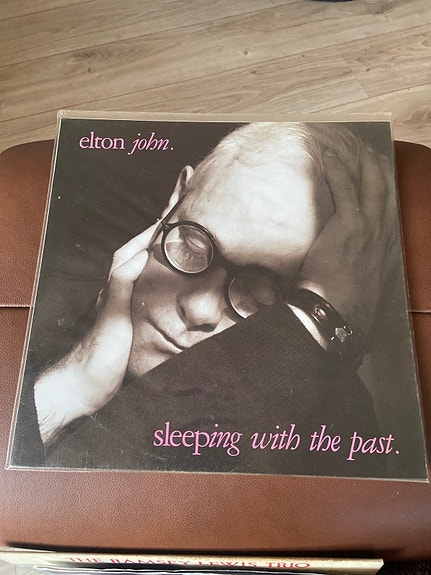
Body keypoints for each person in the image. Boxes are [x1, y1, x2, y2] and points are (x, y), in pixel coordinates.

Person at [12, 121, 400, 476]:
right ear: (177, 198)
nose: (198, 308)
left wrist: (320, 318)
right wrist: (68, 390)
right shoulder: (26, 309)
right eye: (193, 247)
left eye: (259, 295)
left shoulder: (340, 444)